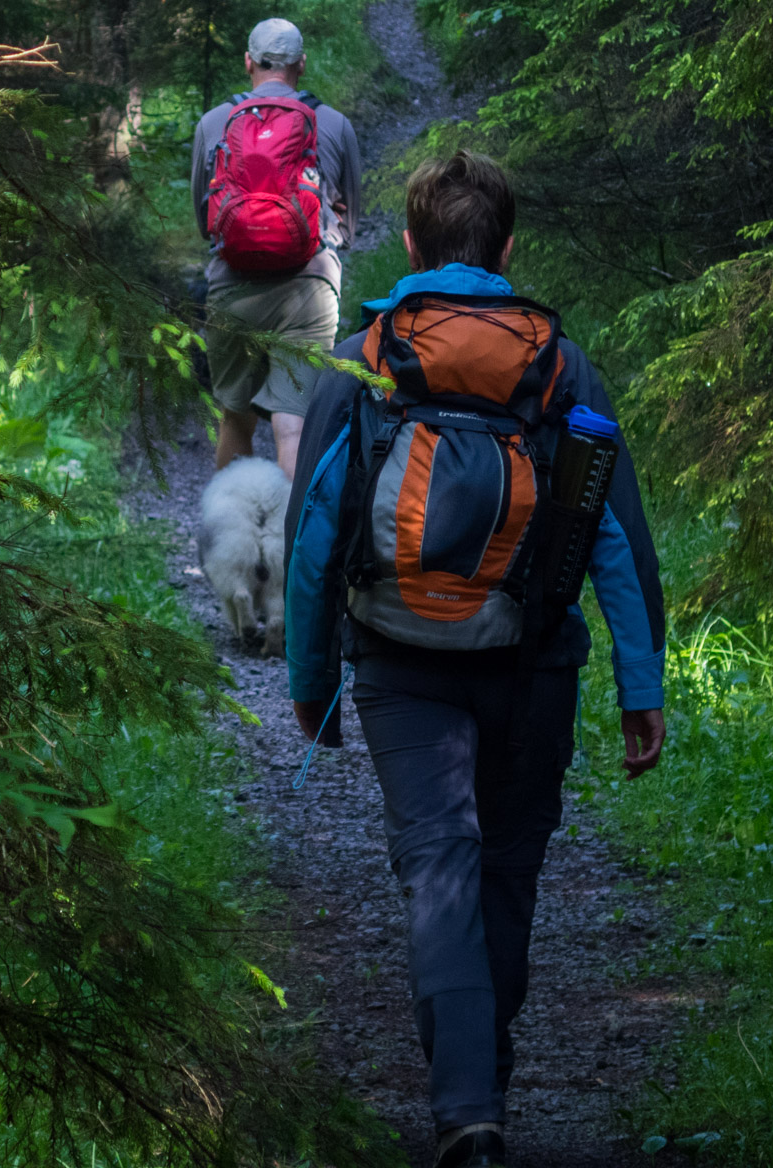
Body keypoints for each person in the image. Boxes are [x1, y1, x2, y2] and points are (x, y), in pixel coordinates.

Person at [282, 151, 667, 1168]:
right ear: (506, 248)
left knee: (438, 863)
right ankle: (481, 1070)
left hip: (396, 656)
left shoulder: (368, 352)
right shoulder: (558, 361)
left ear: (409, 245)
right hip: (532, 657)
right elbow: (612, 532)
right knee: (506, 864)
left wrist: (309, 676)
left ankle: (465, 1106)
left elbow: (316, 528)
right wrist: (641, 681)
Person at [191, 18, 363, 481]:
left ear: (248, 62)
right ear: (301, 65)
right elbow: (348, 227)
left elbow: (204, 219)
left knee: (235, 417)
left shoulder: (214, 123)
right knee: (294, 425)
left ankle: (231, 549)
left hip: (232, 286)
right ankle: (294, 550)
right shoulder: (334, 124)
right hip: (309, 288)